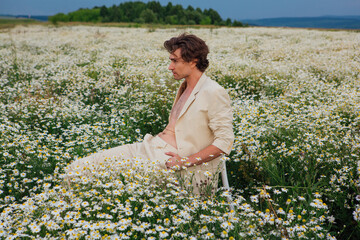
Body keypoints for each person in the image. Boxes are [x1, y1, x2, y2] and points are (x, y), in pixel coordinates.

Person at [66, 33, 234, 194]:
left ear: (193, 61)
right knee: (76, 169)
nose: (170, 67)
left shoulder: (213, 92)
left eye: (175, 61)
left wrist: (183, 162)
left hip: (170, 162)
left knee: (89, 175)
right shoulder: (184, 87)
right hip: (149, 148)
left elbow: (225, 141)